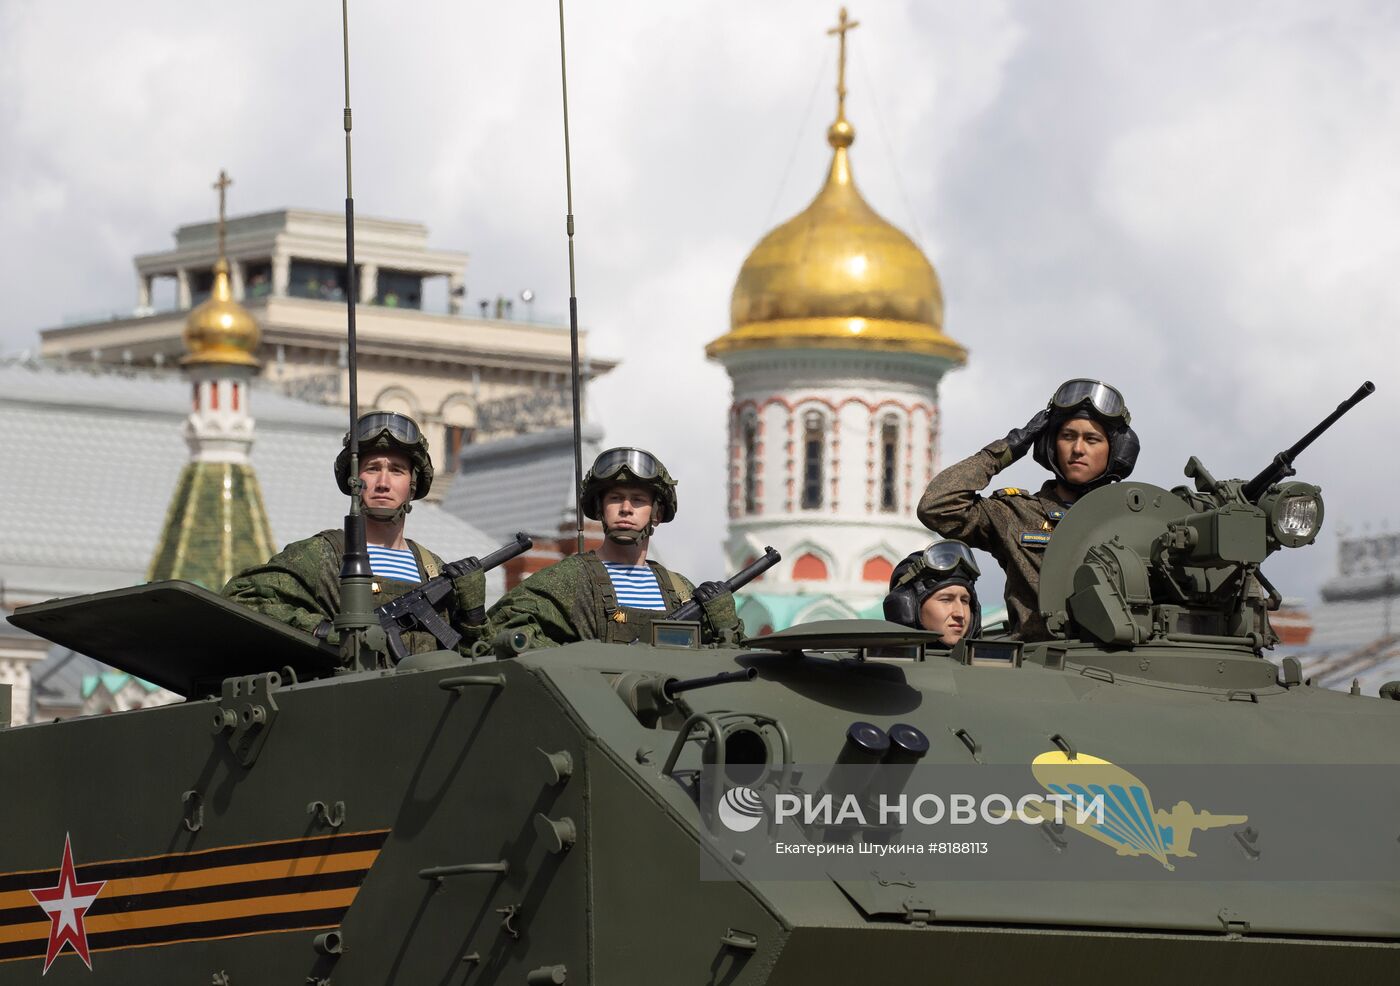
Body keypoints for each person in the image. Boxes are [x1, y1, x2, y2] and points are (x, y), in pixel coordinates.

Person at [222, 411, 486, 657]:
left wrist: (474, 619)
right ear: (354, 480)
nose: (383, 483)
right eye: (372, 469)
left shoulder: (433, 568)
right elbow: (241, 598)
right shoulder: (325, 556)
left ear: (412, 484)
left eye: (396, 470)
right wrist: (321, 630)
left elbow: (472, 657)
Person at [917, 379, 1139, 640]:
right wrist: (1008, 449)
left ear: (1116, 450)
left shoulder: (1134, 520)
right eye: (1067, 437)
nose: (1078, 449)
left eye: (1092, 439)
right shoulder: (1017, 514)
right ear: (1050, 443)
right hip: (1038, 663)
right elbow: (937, 506)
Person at [479, 447, 744, 654]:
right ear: (600, 508)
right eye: (615, 498)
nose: (626, 508)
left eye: (638, 500)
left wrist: (726, 625)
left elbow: (730, 661)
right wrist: (572, 664)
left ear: (657, 513)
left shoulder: (680, 590)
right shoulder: (572, 579)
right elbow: (501, 628)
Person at [883, 540, 983, 648]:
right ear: (906, 607)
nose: (960, 614)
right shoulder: (875, 661)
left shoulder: (988, 661)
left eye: (964, 601)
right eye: (946, 600)